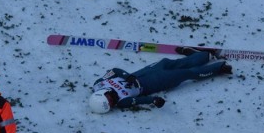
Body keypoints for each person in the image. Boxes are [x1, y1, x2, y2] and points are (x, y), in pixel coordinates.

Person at [88, 48, 233, 113]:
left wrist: (127, 76)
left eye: (109, 99)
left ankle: (204, 56)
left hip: (144, 72)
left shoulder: (98, 84)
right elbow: (139, 101)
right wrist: (154, 101)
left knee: (169, 63)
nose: (113, 100)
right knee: (185, 73)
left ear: (101, 93)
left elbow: (114, 71)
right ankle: (219, 68)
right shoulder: (122, 101)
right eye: (111, 104)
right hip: (154, 82)